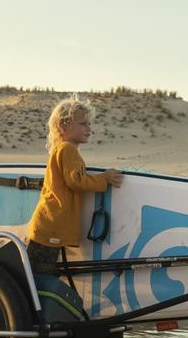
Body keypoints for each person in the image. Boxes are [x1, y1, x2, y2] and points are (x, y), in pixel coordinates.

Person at [26, 97, 123, 270]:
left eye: (89, 124)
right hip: (51, 226)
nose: (89, 129)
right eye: (83, 124)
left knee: (38, 273)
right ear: (63, 126)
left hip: (48, 225)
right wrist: (104, 178)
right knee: (39, 276)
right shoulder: (67, 149)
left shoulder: (62, 148)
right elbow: (76, 181)